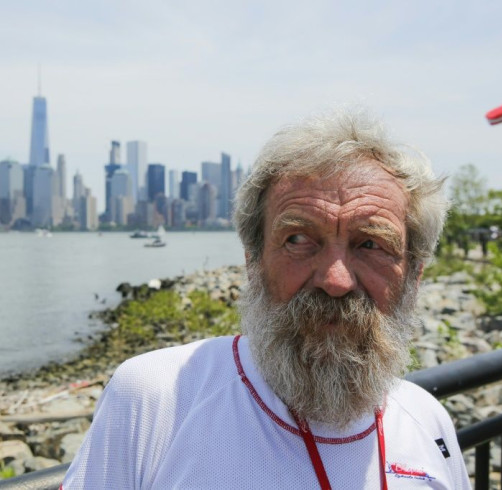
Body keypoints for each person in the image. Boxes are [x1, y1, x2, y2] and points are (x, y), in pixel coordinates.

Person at [62, 110, 471, 489]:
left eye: (371, 243)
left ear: (414, 275)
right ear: (253, 261)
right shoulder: (155, 397)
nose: (336, 280)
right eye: (298, 239)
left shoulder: (428, 419)